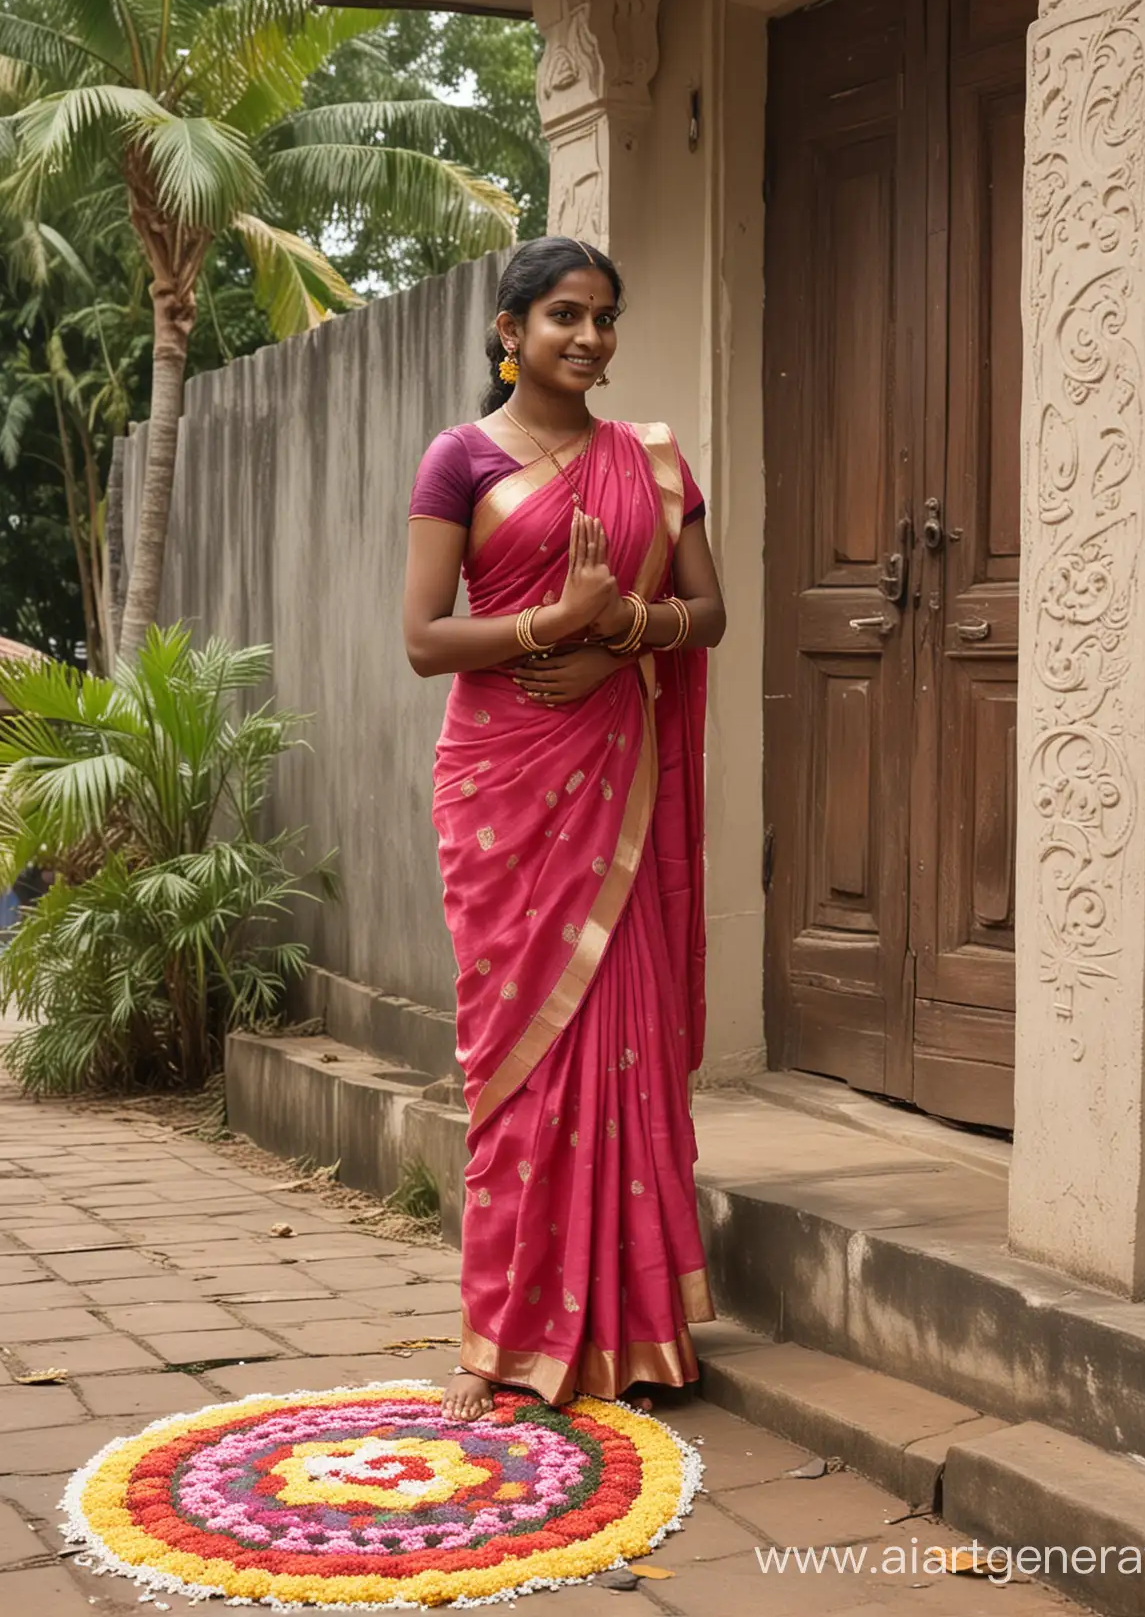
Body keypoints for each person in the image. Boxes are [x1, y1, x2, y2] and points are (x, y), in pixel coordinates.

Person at [403, 235, 727, 1421]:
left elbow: (712, 614)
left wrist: (618, 630)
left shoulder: (653, 460)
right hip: (504, 790)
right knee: (518, 1067)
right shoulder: (462, 460)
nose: (589, 339)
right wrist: (552, 629)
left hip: (615, 779)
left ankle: (636, 1337)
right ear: (509, 332)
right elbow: (426, 638)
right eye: (563, 319)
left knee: (624, 1037)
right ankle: (510, 1338)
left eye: (605, 318)